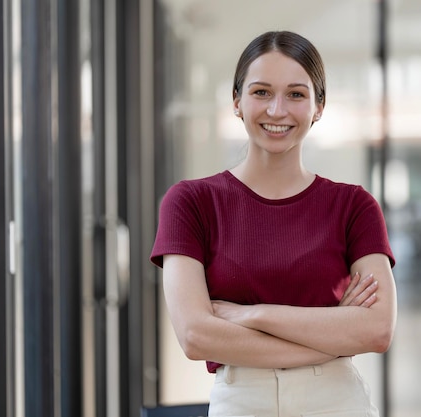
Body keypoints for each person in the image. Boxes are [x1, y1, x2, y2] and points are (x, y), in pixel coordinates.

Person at [150, 30, 397, 417]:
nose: (277, 110)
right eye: (261, 92)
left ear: (318, 107)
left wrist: (253, 314)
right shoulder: (191, 202)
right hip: (242, 401)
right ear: (236, 101)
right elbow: (197, 336)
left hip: (336, 402)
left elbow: (378, 329)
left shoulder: (354, 206)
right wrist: (335, 331)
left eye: (296, 94)